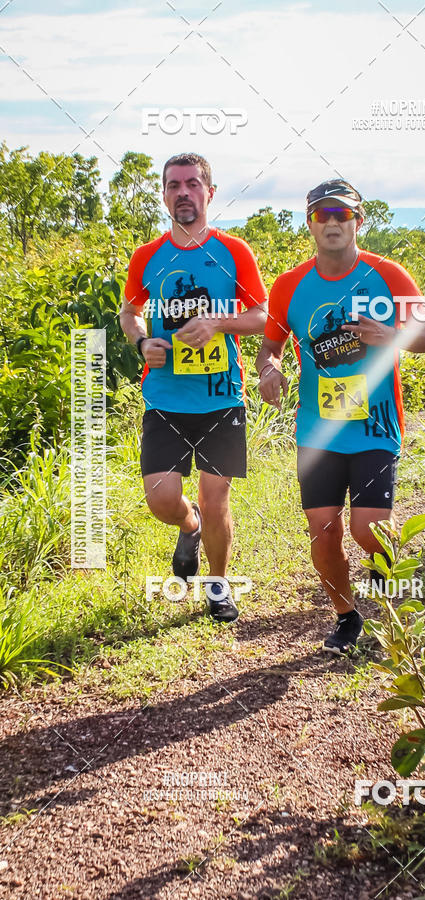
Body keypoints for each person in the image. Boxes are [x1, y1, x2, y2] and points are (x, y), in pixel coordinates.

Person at [256, 179, 425, 654]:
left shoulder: (388, 275)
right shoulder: (289, 286)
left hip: (375, 426)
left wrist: (391, 336)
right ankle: (346, 617)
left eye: (342, 214)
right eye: (322, 214)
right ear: (310, 223)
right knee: (323, 532)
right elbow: (270, 348)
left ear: (359, 221)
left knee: (367, 530)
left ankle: (388, 568)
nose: (332, 222)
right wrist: (269, 371)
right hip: (317, 431)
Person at [120, 153, 267, 622]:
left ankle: (218, 586)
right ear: (164, 195)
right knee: (162, 498)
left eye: (192, 184)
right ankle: (190, 526)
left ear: (209, 192)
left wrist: (218, 323)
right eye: (173, 185)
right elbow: (129, 312)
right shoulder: (146, 257)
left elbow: (262, 316)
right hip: (164, 398)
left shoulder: (234, 252)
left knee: (215, 496)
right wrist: (142, 341)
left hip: (221, 398)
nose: (183, 192)